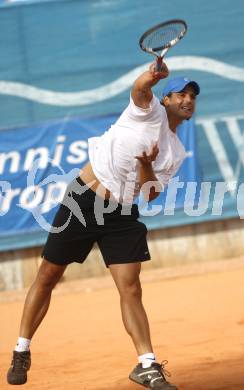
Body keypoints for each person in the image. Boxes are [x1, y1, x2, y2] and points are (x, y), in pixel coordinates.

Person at [7, 60, 200, 390]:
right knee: (48, 276)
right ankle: (21, 350)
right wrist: (153, 76)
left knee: (131, 288)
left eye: (193, 96)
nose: (188, 100)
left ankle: (147, 365)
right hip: (83, 201)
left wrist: (145, 166)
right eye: (181, 94)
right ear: (165, 99)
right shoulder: (146, 110)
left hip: (121, 214)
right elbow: (140, 87)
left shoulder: (176, 151)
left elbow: (151, 195)